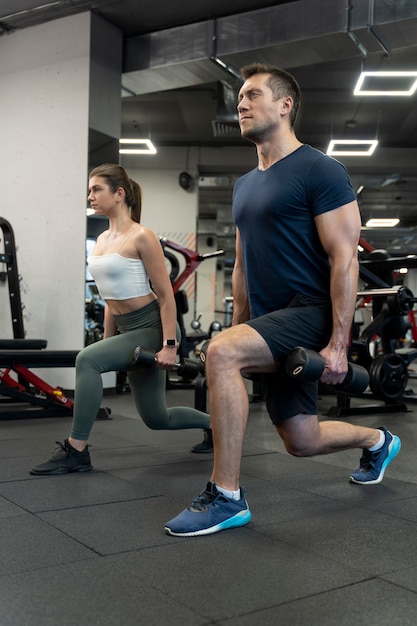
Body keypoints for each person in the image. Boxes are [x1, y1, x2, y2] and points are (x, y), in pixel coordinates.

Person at [164, 63, 401, 537]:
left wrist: (338, 343)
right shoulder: (244, 184)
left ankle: (226, 497)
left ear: (285, 104)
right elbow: (243, 265)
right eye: (239, 99)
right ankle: (379, 440)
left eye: (252, 95)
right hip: (273, 318)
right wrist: (241, 324)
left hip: (310, 310)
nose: (241, 104)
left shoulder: (320, 168)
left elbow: (344, 259)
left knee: (222, 352)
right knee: (302, 439)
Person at [30, 163, 210, 475]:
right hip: (128, 331)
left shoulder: (142, 236)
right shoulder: (100, 241)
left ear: (119, 193)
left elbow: (167, 297)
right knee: (157, 419)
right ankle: (218, 425)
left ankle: (76, 451)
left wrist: (169, 346)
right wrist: (107, 344)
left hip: (154, 328)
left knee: (86, 360)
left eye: (96, 189)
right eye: (89, 190)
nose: (90, 196)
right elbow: (109, 300)